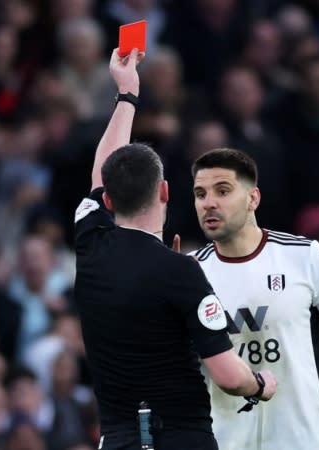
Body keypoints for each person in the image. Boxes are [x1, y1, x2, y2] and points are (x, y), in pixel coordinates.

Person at [72, 48, 277, 450]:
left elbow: (101, 171)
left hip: (117, 440)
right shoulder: (180, 272)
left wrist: (127, 93)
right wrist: (261, 385)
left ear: (108, 201)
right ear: (165, 192)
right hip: (179, 439)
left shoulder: (90, 242)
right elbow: (228, 376)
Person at [184, 148, 319, 449]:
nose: (209, 203)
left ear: (253, 198)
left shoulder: (306, 258)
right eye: (200, 194)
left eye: (223, 191)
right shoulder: (187, 273)